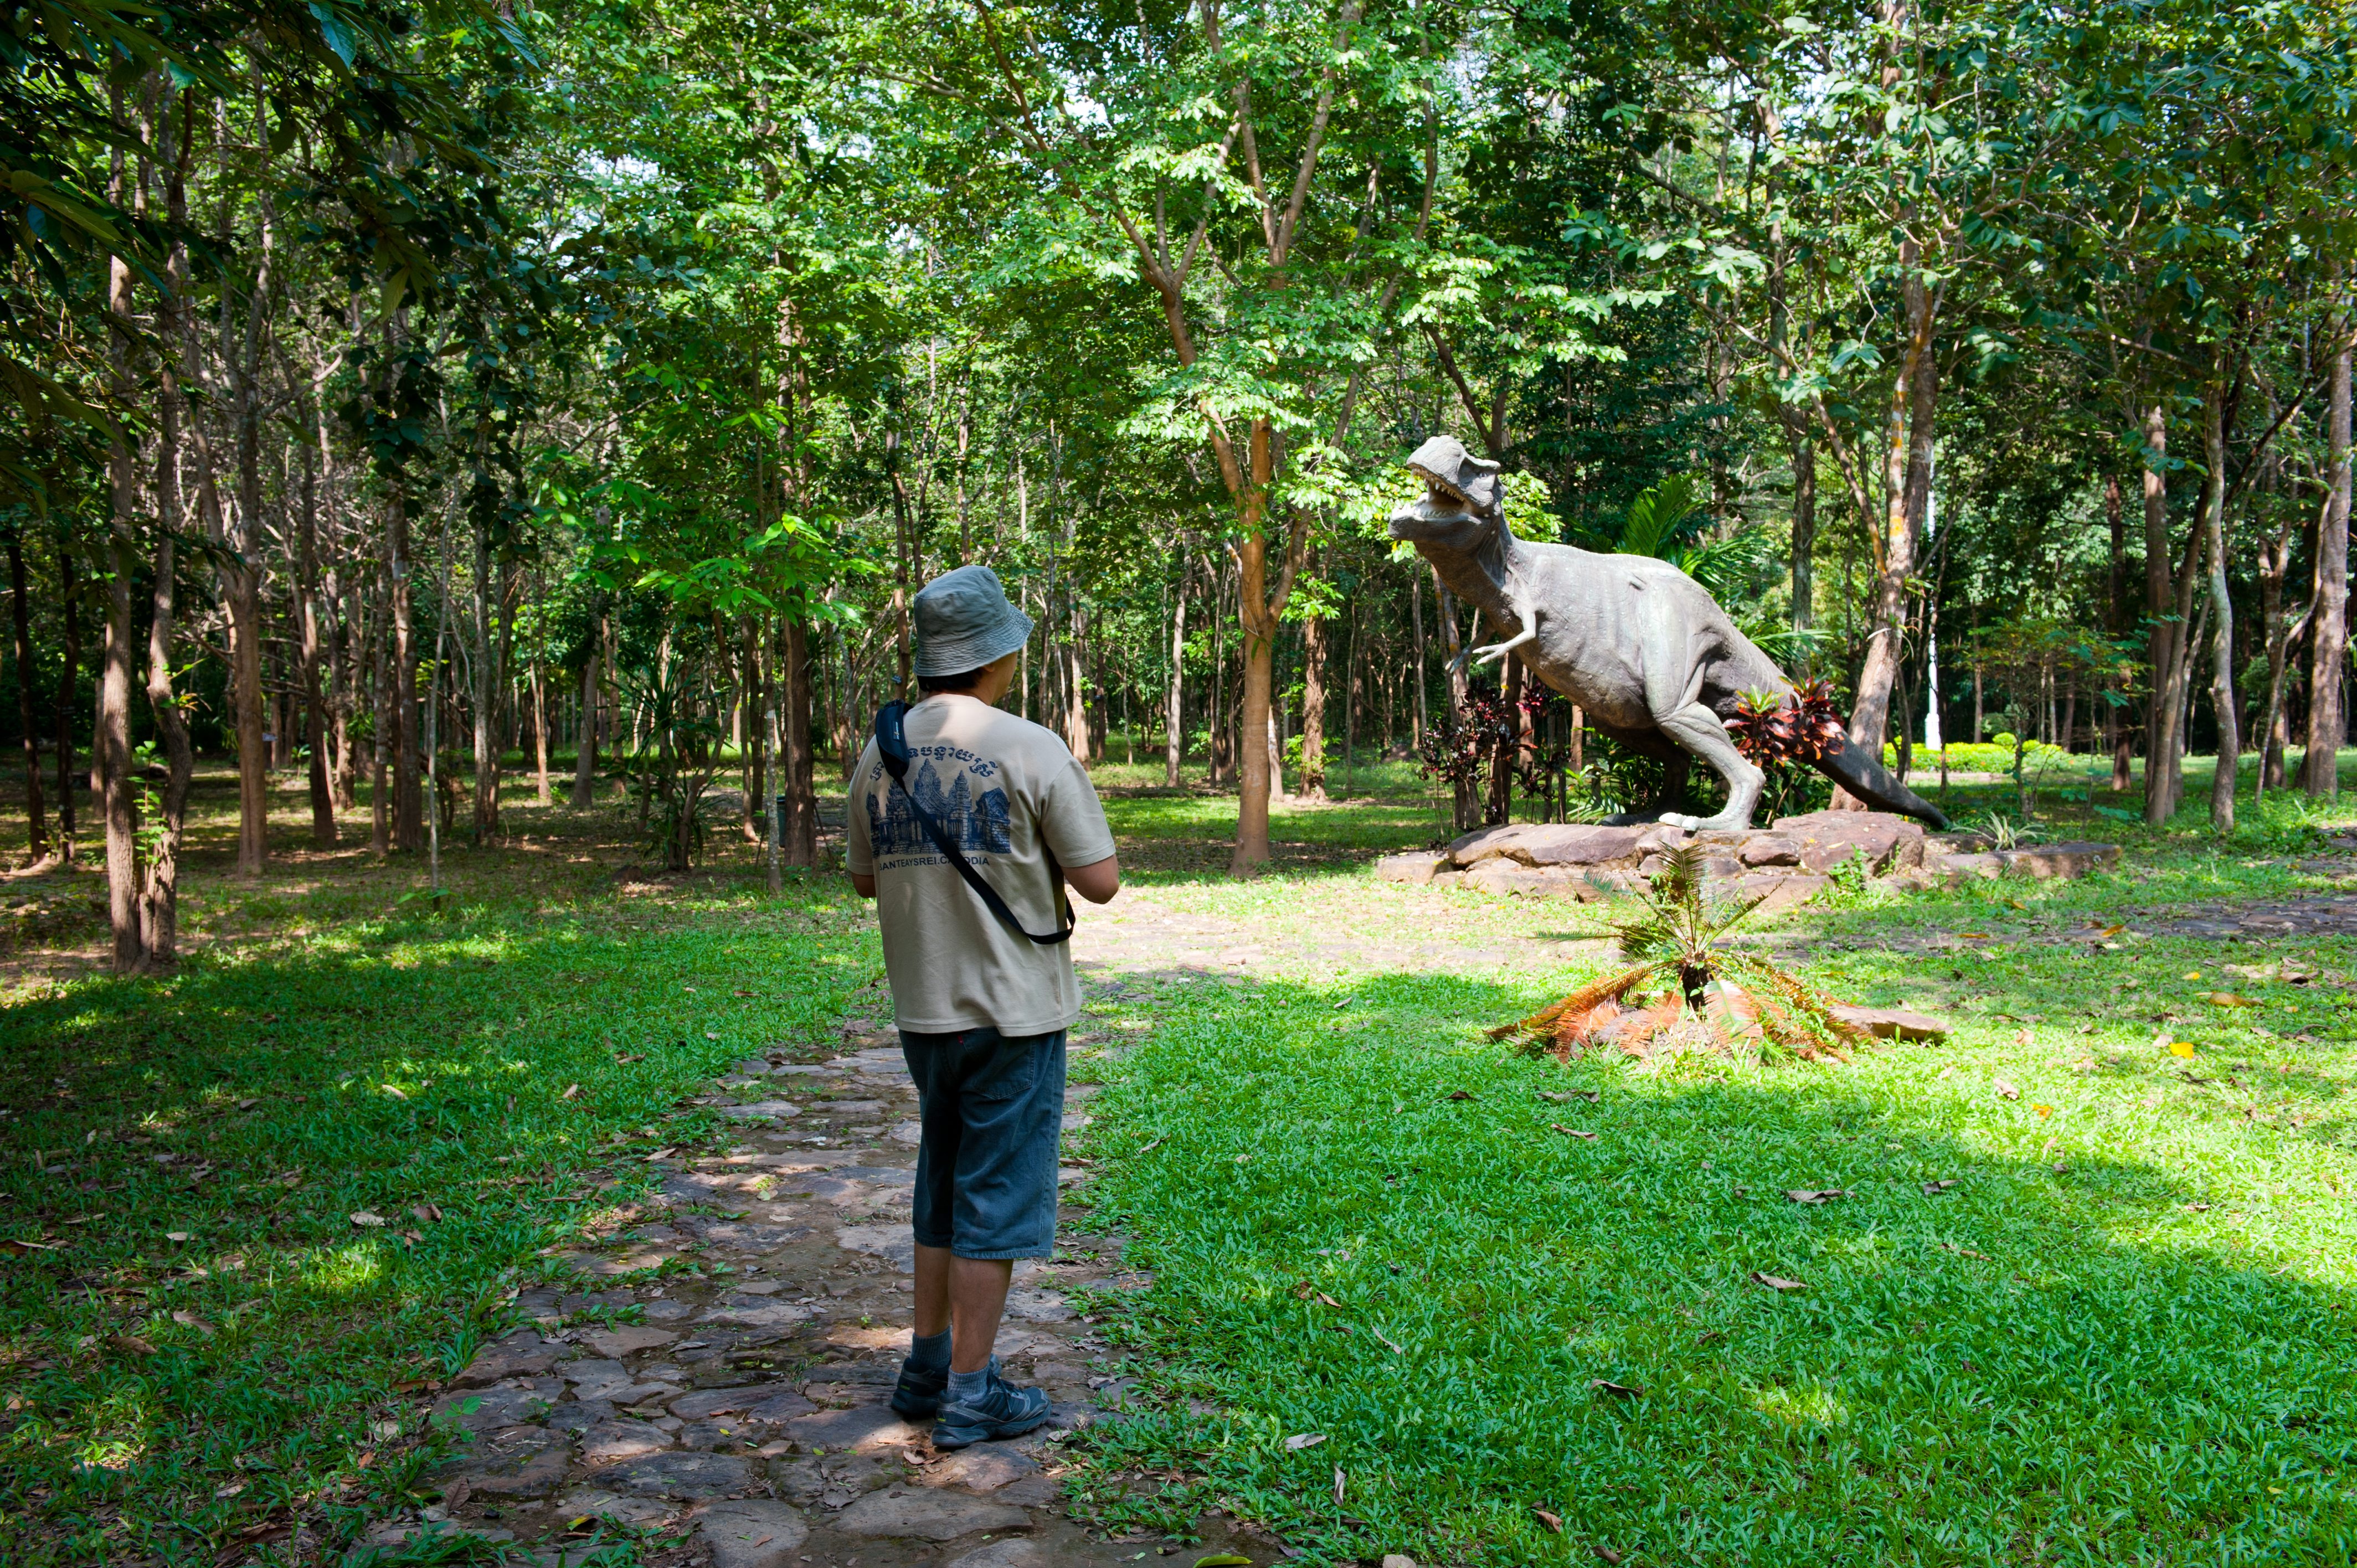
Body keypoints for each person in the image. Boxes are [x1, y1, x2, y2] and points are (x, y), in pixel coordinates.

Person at [845, 564, 1121, 1450]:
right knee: (996, 1198)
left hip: (926, 1012)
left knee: (943, 1186)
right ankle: (972, 1392)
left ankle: (924, 1367)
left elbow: (861, 877)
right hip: (1015, 1013)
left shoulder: (880, 749)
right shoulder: (1031, 745)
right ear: (1000, 653)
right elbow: (1101, 883)